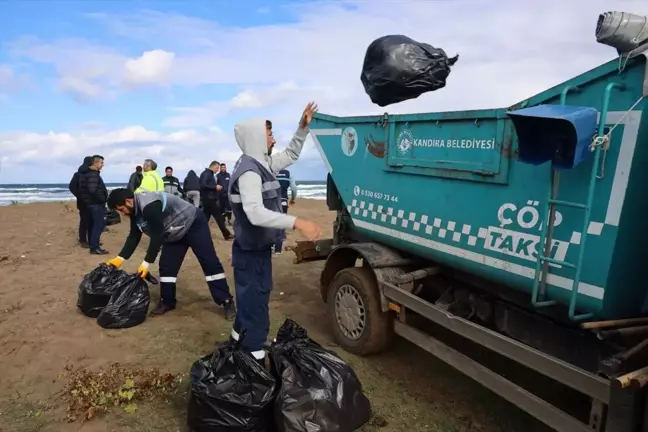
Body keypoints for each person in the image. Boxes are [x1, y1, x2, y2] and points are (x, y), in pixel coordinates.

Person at [228, 102, 322, 363]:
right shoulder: (249, 172)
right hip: (250, 253)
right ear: (257, 137)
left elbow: (291, 154)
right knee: (256, 307)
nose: (273, 139)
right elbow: (255, 213)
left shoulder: (264, 163)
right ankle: (254, 363)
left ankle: (237, 342)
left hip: (256, 250)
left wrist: (302, 128)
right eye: (269, 134)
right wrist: (298, 222)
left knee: (249, 302)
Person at [105, 188, 236, 319]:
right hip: (173, 231)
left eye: (121, 209)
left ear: (128, 201)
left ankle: (226, 300)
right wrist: (119, 259)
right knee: (167, 267)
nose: (122, 214)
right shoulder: (135, 209)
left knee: (209, 262)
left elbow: (157, 235)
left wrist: (146, 263)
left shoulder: (149, 206)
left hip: (193, 224)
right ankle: (167, 302)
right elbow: (134, 235)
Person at [78, 155, 109, 255]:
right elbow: (92, 190)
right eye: (101, 163)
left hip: (89, 204)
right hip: (95, 204)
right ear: (95, 163)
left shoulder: (85, 173)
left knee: (93, 226)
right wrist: (103, 198)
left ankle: (93, 245)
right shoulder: (93, 174)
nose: (102, 165)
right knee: (98, 226)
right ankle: (94, 247)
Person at [200, 161, 234, 240]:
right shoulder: (206, 174)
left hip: (208, 199)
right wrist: (215, 187)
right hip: (209, 199)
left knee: (205, 218)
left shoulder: (209, 174)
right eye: (217, 168)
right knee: (218, 217)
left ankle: (197, 233)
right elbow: (203, 185)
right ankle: (227, 234)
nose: (217, 170)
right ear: (213, 166)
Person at [69, 156, 93, 248]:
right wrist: (80, 196)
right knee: (84, 221)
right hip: (83, 202)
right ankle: (83, 240)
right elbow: (72, 186)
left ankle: (91, 241)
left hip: (92, 201)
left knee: (91, 221)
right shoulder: (78, 174)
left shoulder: (92, 173)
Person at [272, 168, 298, 255]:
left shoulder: (271, 171)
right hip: (283, 200)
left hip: (272, 201)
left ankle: (271, 245)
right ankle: (278, 249)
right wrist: (293, 199)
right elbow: (294, 188)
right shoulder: (288, 173)